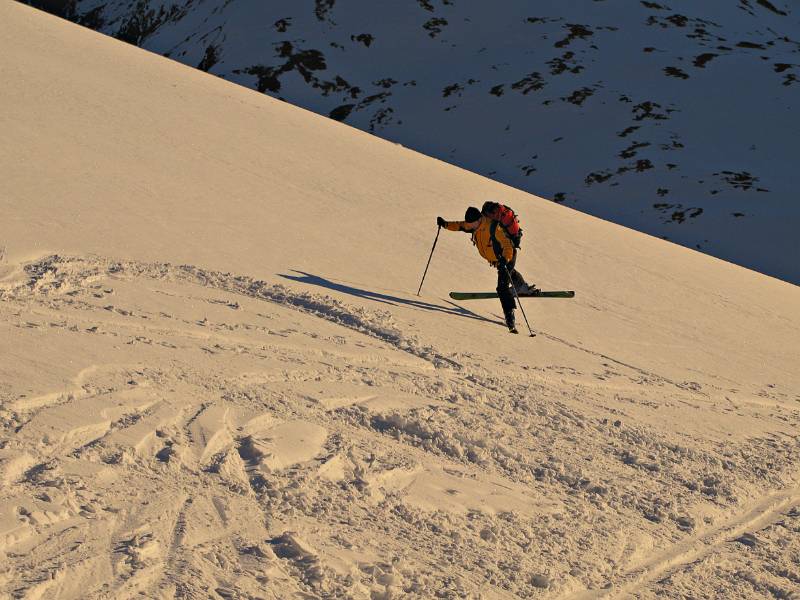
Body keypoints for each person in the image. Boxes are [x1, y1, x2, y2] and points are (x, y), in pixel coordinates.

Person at [437, 206, 536, 332]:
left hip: (507, 257)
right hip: (496, 260)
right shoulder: (473, 225)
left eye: (472, 223)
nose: (470, 226)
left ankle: (510, 318)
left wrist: (505, 259)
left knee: (502, 287)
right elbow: (459, 225)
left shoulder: (493, 227)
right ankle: (521, 286)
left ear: (479, 220)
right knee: (508, 275)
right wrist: (445, 224)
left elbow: (507, 246)